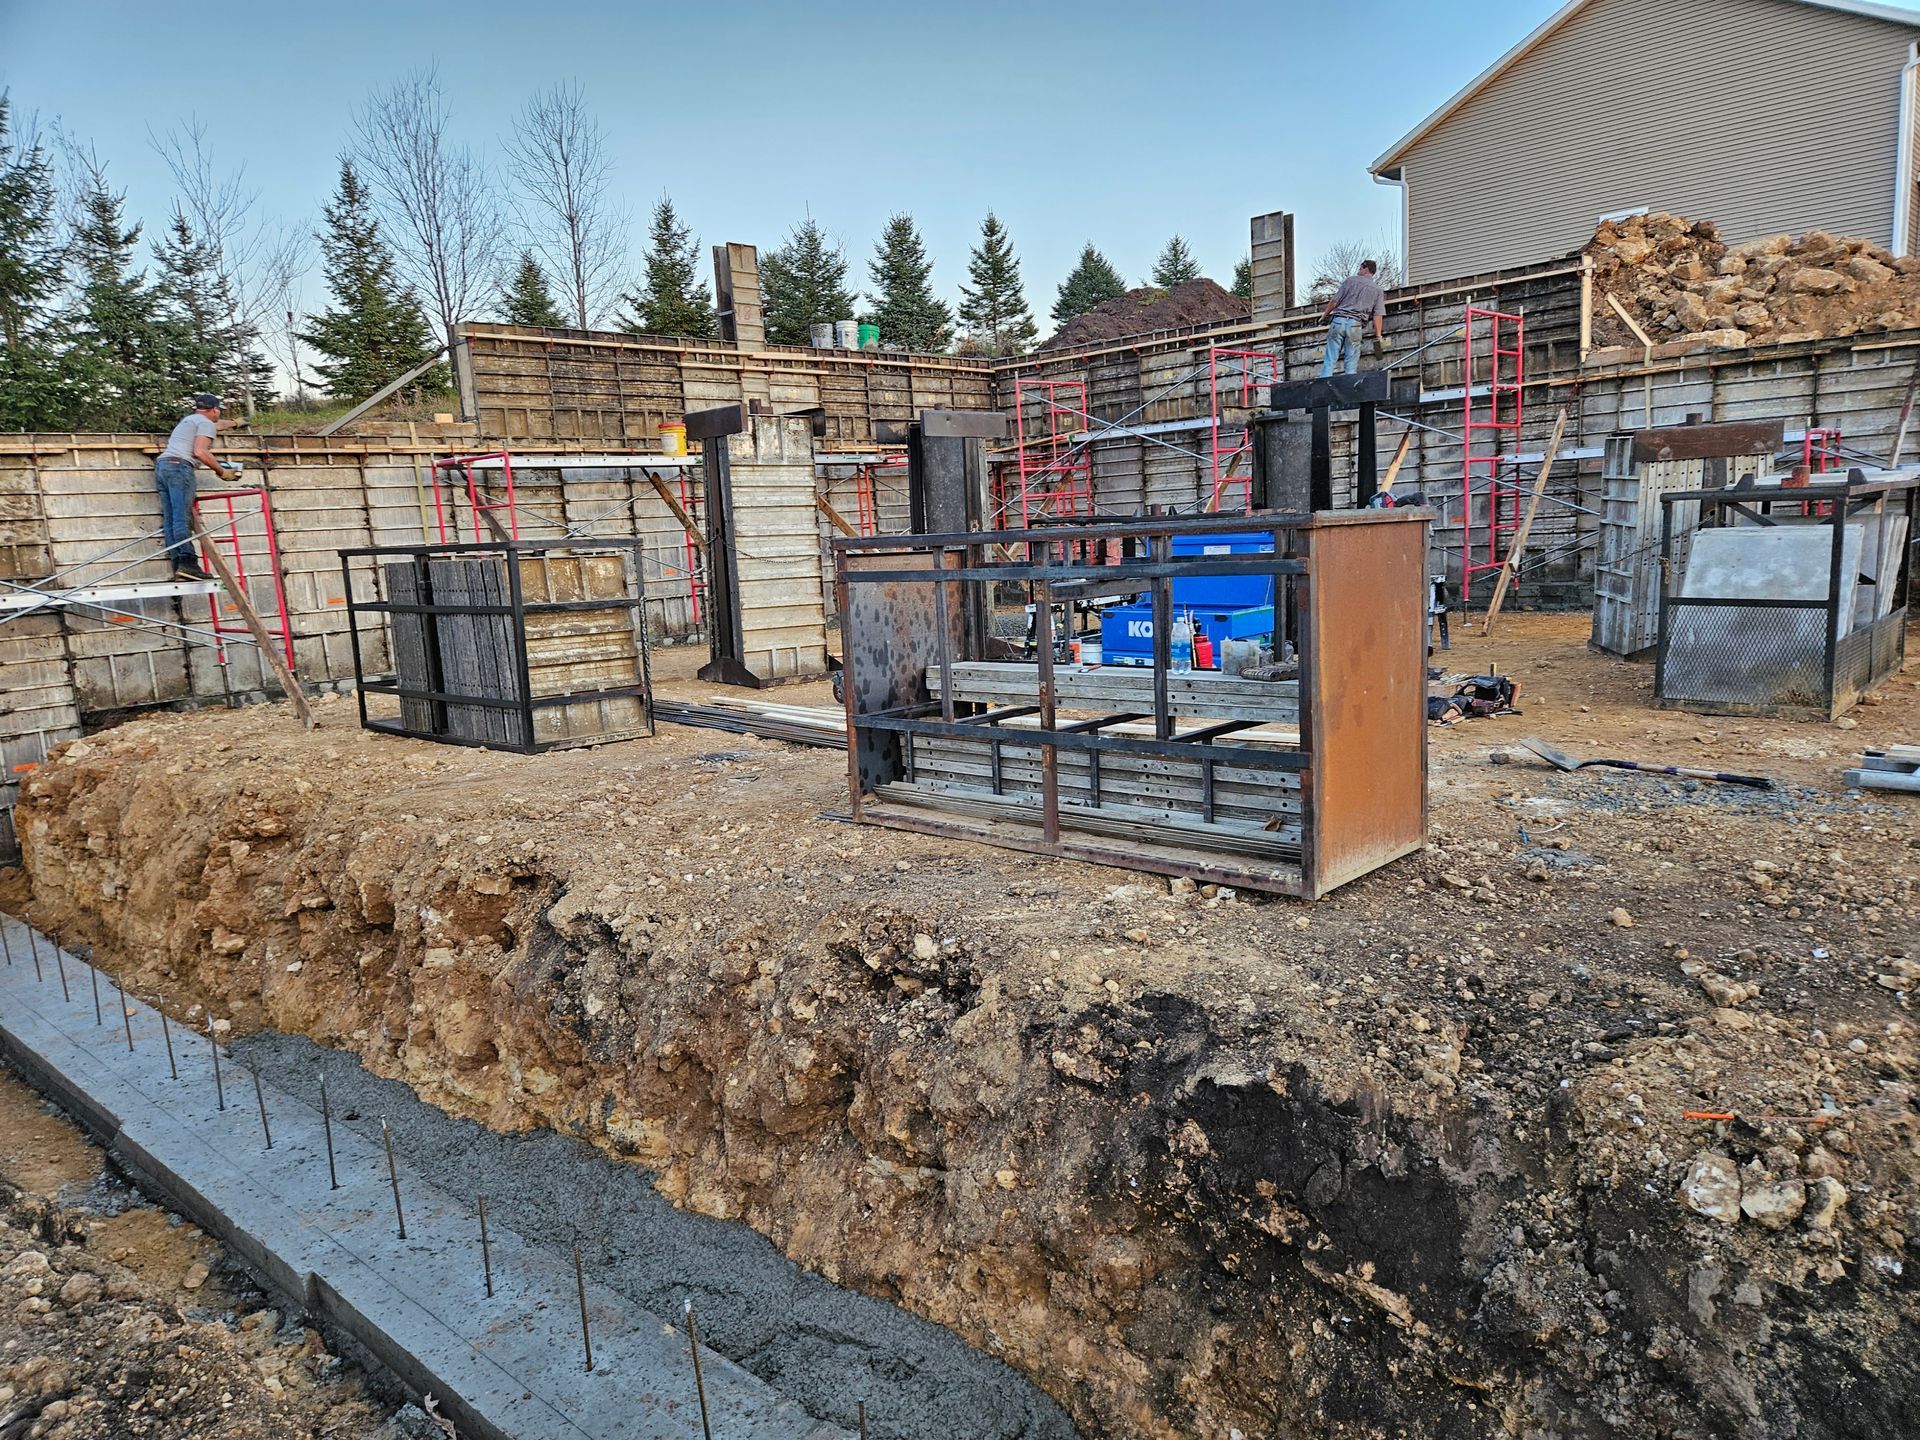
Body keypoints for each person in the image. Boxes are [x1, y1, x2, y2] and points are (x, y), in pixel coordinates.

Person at [154, 394, 240, 580]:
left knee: (170, 519)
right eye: (219, 410)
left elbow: (216, 425)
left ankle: (178, 564)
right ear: (215, 409)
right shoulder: (205, 423)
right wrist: (221, 471)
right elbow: (200, 451)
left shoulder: (190, 420)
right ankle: (188, 563)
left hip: (163, 467)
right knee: (181, 517)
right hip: (179, 468)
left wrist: (234, 423)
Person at [1319, 259, 1388, 377]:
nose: (1358, 271)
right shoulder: (1377, 290)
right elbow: (1378, 315)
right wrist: (1378, 335)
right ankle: (1349, 386)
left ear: (1366, 269)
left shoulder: (1350, 281)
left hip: (1338, 322)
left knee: (1330, 360)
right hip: (1355, 325)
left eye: (1360, 268)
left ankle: (1323, 384)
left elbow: (1334, 301)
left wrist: (1324, 316)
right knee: (1351, 365)